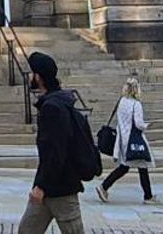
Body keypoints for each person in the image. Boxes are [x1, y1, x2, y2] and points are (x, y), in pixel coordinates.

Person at [20, 51, 87, 234]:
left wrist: (41, 186)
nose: (30, 76)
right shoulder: (54, 103)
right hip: (48, 186)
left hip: (61, 187)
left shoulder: (52, 108)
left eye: (32, 73)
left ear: (39, 77)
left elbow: (55, 151)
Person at [97, 77, 156, 204]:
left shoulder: (122, 101)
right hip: (133, 139)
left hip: (122, 137)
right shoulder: (136, 104)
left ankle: (105, 186)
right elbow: (139, 124)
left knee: (127, 166)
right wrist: (147, 125)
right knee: (141, 165)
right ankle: (148, 196)